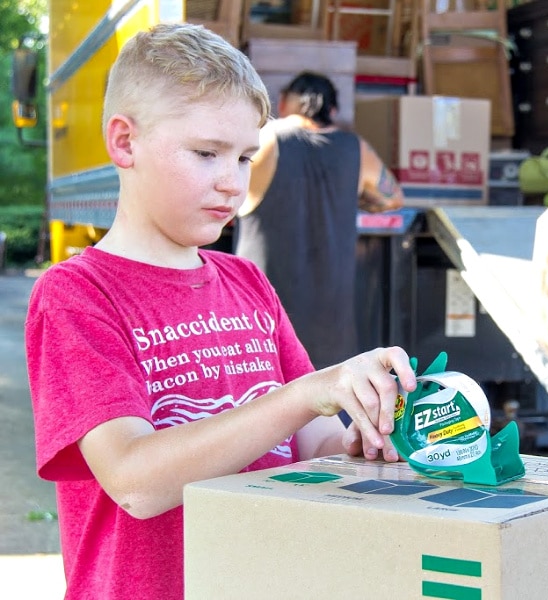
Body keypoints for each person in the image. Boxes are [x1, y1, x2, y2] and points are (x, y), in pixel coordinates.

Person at [24, 24, 416, 600]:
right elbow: (134, 480)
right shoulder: (78, 294)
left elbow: (311, 444)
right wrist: (307, 391)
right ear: (125, 142)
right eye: (207, 154)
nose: (233, 183)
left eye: (245, 157)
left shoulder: (249, 282)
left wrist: (365, 436)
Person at [234, 71, 403, 369]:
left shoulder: (264, 138)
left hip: (261, 320)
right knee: (326, 407)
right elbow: (392, 197)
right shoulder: (355, 148)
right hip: (331, 324)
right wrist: (355, 196)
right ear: (333, 111)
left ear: (283, 103)